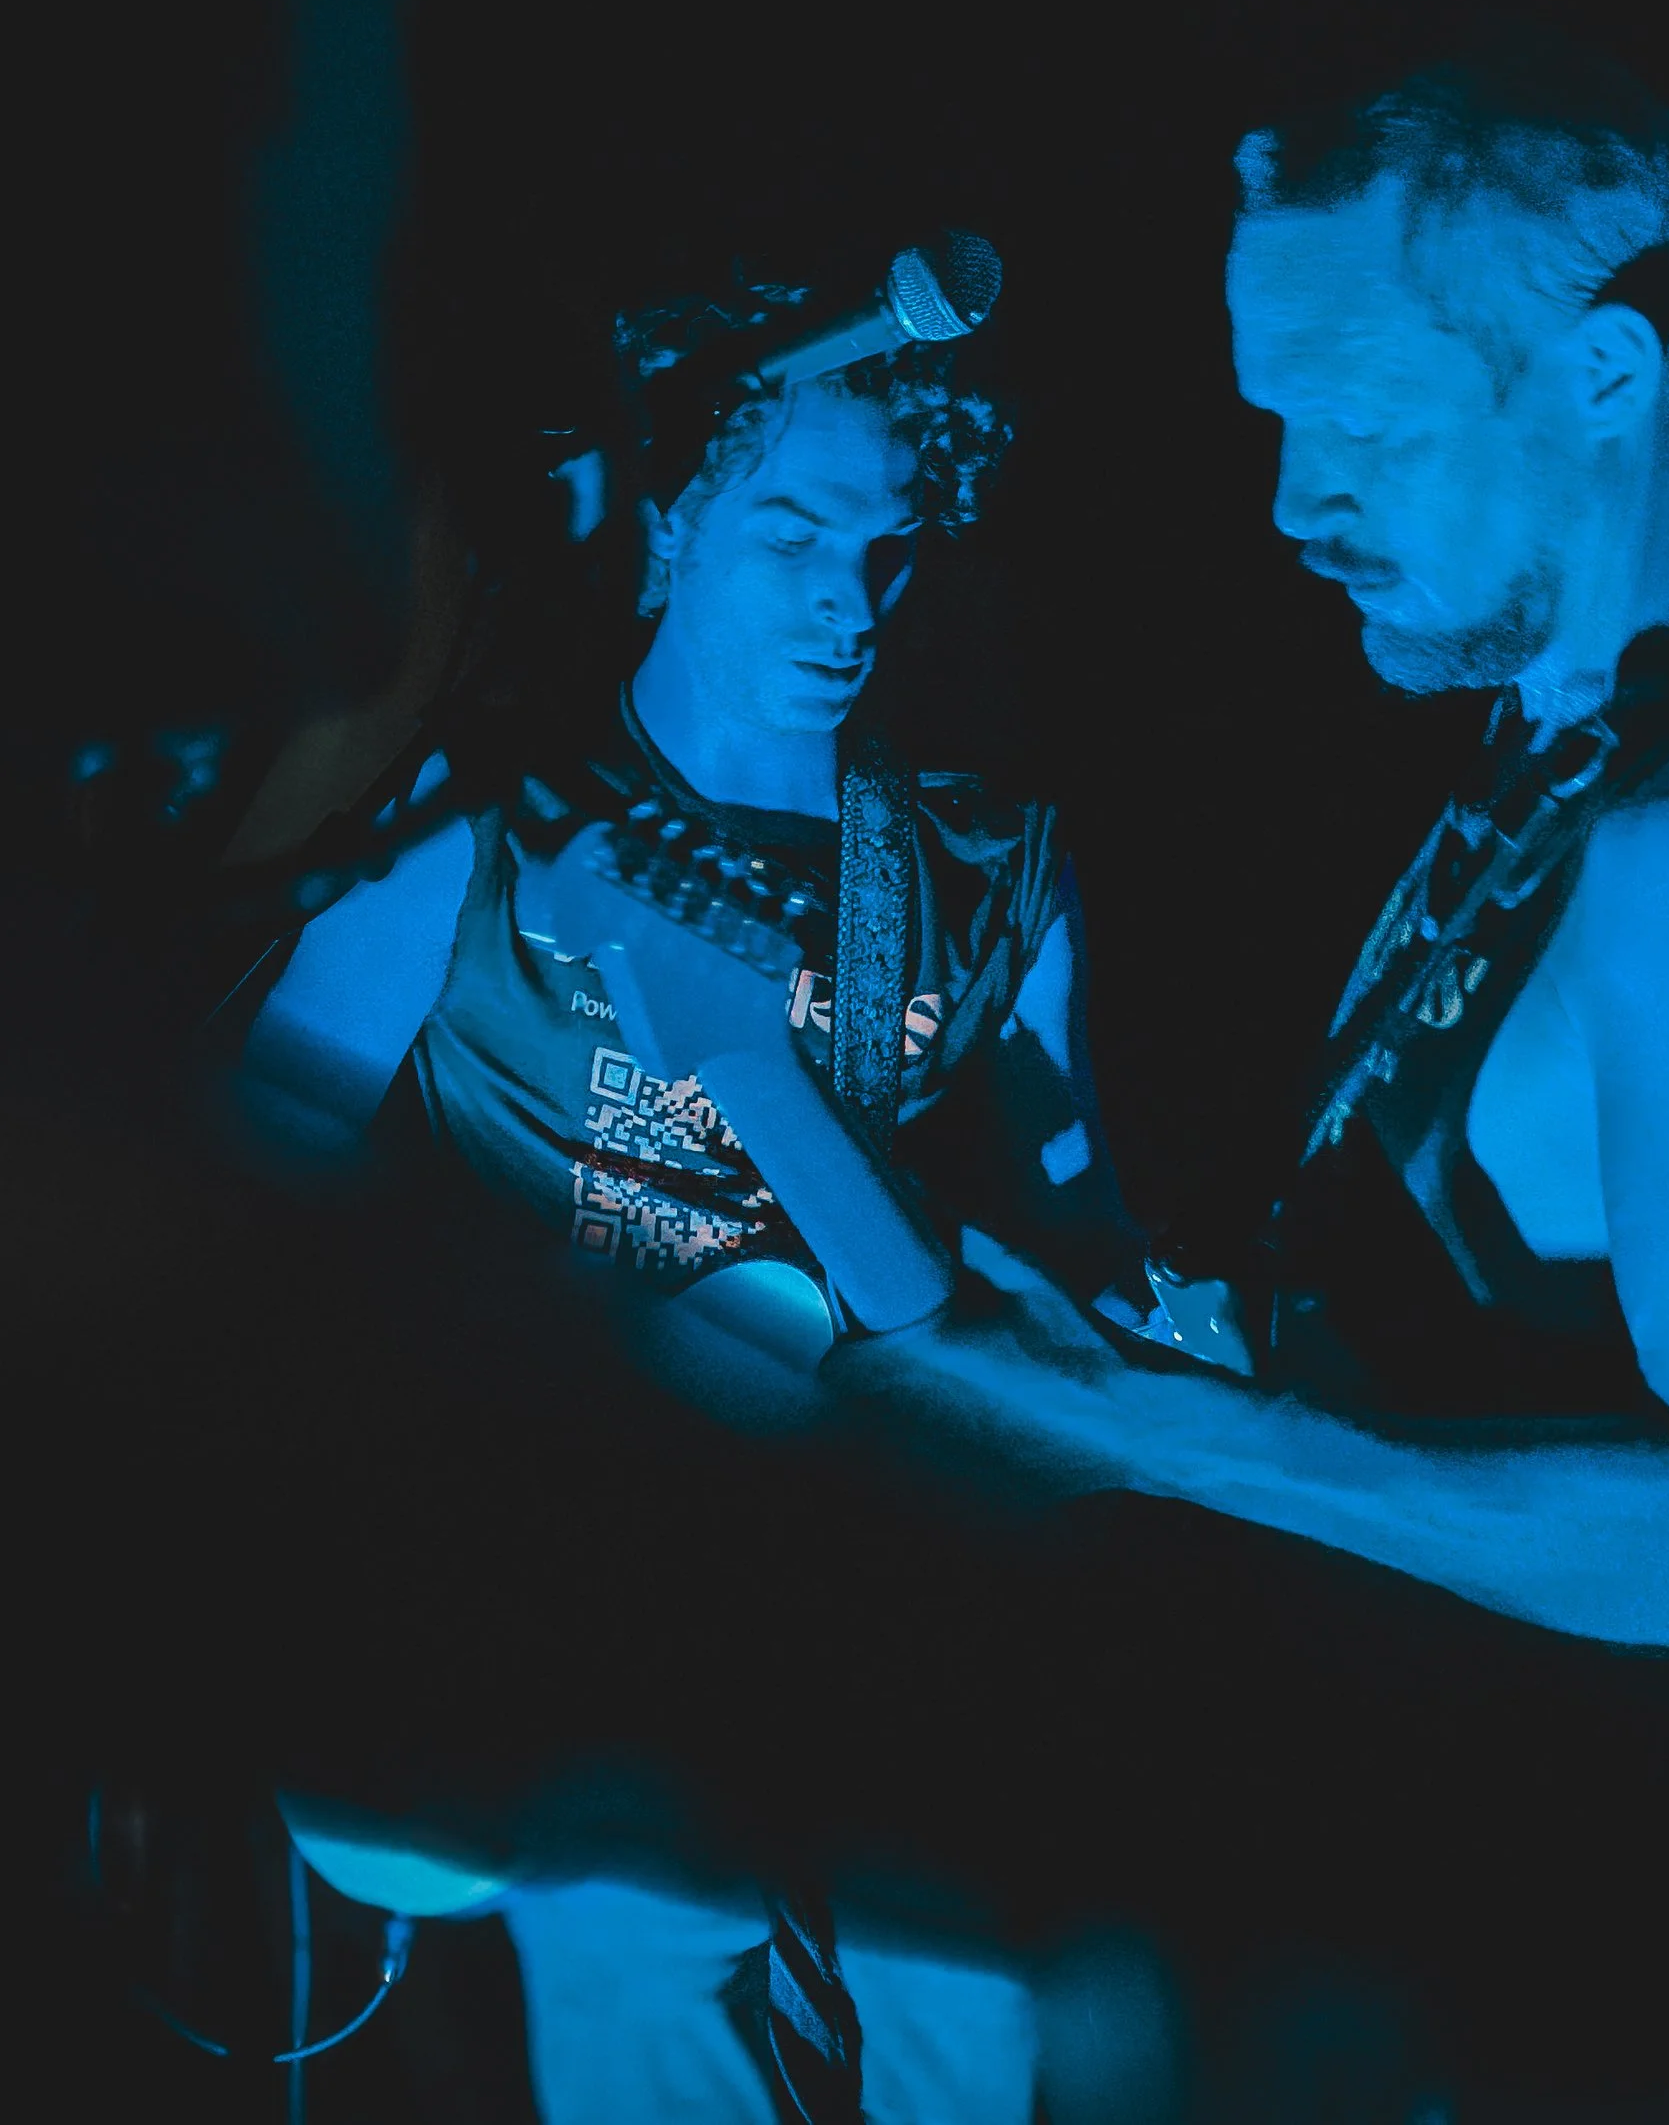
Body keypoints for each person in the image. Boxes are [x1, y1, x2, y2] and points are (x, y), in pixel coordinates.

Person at [796, 41, 1669, 2118]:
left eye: (1360, 419)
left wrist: (1139, 1422)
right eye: (1274, 421)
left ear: (1608, 375)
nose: (1289, 499)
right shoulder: (1568, 746)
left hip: (1634, 2001)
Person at [232, 275, 1137, 2125]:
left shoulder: (988, 869)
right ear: (662, 529)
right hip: (582, 1643)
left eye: (888, 546)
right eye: (788, 531)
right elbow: (253, 1218)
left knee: (975, 2040)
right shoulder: (482, 836)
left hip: (902, 1627)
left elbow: (1078, 1273)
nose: (844, 598)